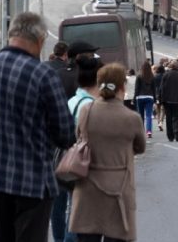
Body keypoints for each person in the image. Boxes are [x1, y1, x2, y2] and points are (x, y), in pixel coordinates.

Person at [0, 13, 75, 242]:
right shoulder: (43, 75)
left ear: (11, 35)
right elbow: (65, 133)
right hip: (34, 180)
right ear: (40, 39)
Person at [68, 63, 145, 242]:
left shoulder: (86, 111)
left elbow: (79, 137)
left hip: (88, 186)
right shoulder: (132, 118)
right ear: (122, 86)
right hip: (119, 188)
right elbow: (140, 147)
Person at [56, 55, 102, 242]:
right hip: (85, 165)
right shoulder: (90, 106)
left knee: (73, 210)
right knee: (80, 218)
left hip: (70, 161)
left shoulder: (73, 100)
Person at [159, 61, 178, 142]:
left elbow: (162, 88)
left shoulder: (166, 75)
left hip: (167, 101)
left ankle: (170, 135)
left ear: (170, 66)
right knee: (177, 117)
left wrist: (161, 100)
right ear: (177, 67)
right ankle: (177, 130)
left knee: (168, 118)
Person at [134, 62, 155, 140]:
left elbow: (137, 88)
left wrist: (134, 97)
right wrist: (155, 99)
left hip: (140, 97)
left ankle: (141, 132)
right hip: (149, 97)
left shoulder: (139, 76)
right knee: (149, 115)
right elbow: (154, 89)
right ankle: (149, 131)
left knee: (141, 115)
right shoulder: (152, 76)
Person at [152, 64, 165, 132]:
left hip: (156, 94)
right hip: (163, 94)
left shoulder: (154, 76)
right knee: (163, 109)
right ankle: (161, 122)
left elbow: (153, 87)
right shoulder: (164, 76)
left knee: (158, 110)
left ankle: (158, 122)